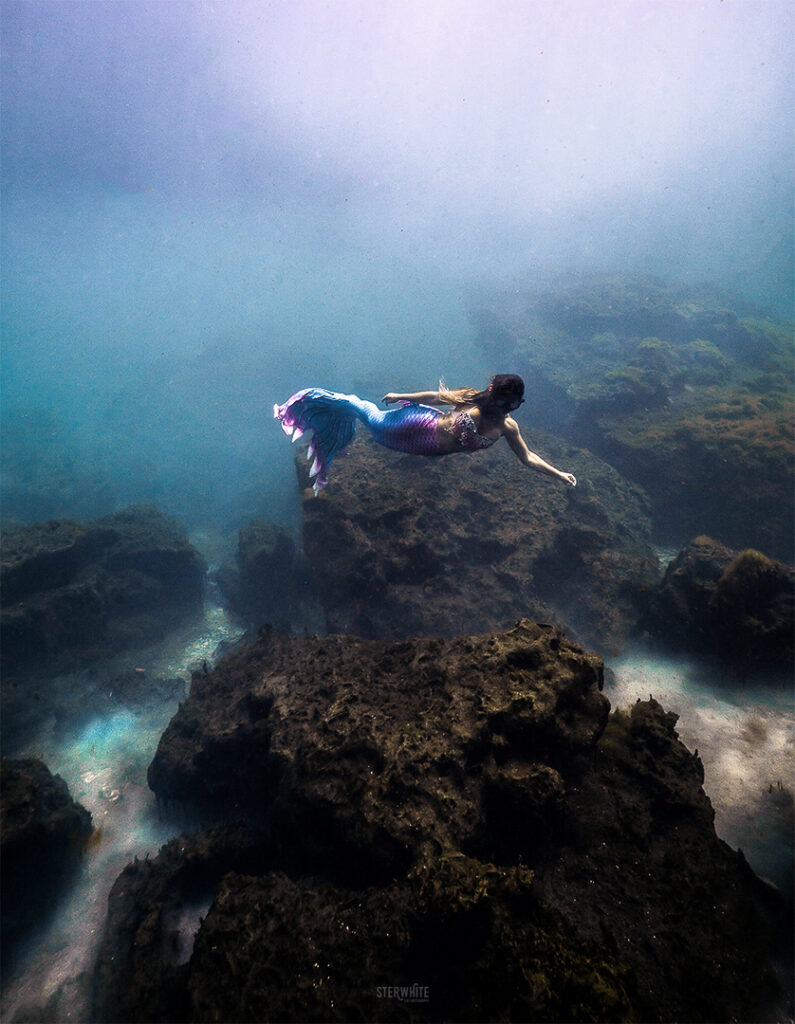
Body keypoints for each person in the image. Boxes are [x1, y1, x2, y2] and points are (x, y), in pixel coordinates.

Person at [274, 374, 577, 494]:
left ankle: (336, 416)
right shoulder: (474, 399)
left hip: (426, 449)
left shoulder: (508, 427)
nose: (507, 408)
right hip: (416, 425)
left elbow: (527, 457)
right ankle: (315, 401)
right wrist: (399, 395)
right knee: (372, 421)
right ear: (493, 394)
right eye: (504, 401)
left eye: (514, 404)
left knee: (374, 430)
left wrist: (559, 473)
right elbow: (436, 397)